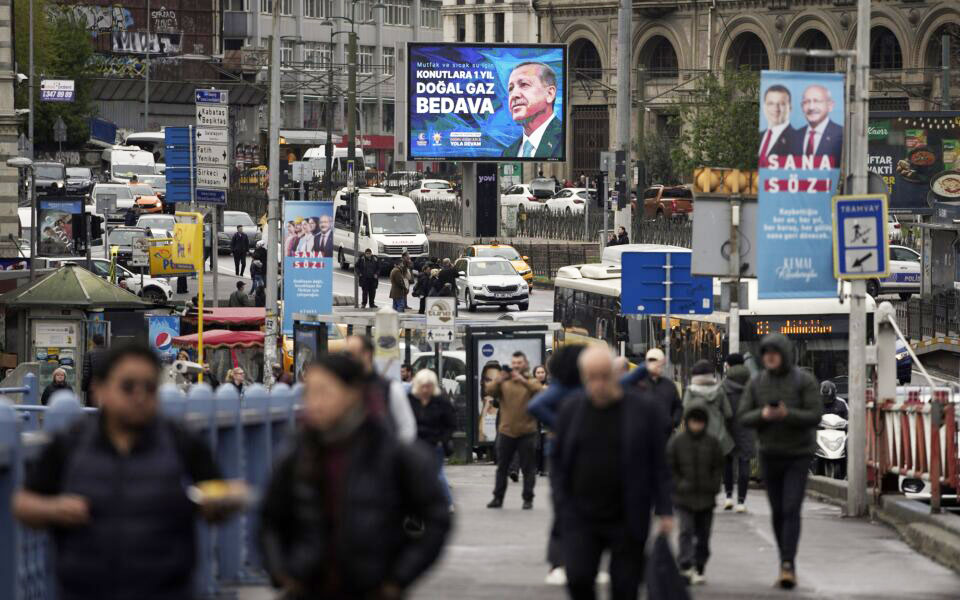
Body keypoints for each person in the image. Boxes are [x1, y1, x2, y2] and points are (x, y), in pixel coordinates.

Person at [13, 344, 235, 600]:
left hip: (166, 589)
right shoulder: (71, 442)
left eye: (150, 388)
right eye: (128, 386)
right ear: (100, 389)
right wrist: (54, 509)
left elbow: (221, 494)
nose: (139, 396)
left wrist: (218, 502)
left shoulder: (181, 441)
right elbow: (23, 504)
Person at [258, 354, 451, 599]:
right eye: (309, 393)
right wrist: (280, 571)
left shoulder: (392, 454)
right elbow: (269, 519)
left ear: (353, 393)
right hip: (307, 587)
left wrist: (399, 577)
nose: (315, 403)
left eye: (324, 392)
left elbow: (436, 517)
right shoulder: (296, 454)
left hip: (373, 587)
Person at [551, 346, 673, 600]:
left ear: (615, 375)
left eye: (604, 376)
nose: (598, 384)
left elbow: (658, 463)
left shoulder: (643, 410)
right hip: (581, 516)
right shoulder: (571, 410)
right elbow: (559, 463)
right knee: (578, 578)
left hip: (627, 515)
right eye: (591, 377)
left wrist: (664, 509)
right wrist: (562, 504)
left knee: (626, 586)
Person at [738, 333, 822, 590]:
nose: (770, 357)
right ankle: (784, 559)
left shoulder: (804, 380)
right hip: (770, 454)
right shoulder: (756, 383)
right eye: (766, 353)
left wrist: (788, 414)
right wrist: (763, 415)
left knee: (791, 508)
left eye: (775, 352)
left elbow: (815, 414)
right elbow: (743, 416)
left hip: (798, 454)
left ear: (784, 354)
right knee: (777, 512)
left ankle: (788, 564)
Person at [667, 404, 725, 586]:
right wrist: (677, 484)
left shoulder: (712, 442)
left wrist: (714, 486)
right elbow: (670, 467)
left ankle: (699, 564)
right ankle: (685, 564)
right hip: (683, 497)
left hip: (706, 498)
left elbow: (718, 468)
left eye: (699, 422)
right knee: (685, 531)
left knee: (703, 535)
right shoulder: (677, 442)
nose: (696, 426)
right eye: (693, 422)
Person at [485, 351, 542, 510]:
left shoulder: (530, 381)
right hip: (506, 431)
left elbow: (540, 391)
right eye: (514, 363)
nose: (516, 366)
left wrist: (523, 380)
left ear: (525, 364)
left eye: (519, 363)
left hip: (527, 431)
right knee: (502, 467)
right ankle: (497, 498)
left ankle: (528, 499)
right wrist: (499, 379)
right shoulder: (504, 381)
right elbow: (489, 390)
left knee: (528, 468)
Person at [344, 334, 418, 444]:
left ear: (367, 354)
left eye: (351, 354)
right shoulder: (342, 387)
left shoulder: (390, 388)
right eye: (346, 354)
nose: (347, 359)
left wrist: (390, 455)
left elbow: (407, 428)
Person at [408, 369, 456, 510]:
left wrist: (443, 439)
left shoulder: (441, 401)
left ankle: (447, 503)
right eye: (423, 386)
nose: (425, 389)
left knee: (437, 474)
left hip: (435, 443)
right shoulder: (411, 400)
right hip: (416, 443)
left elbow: (451, 424)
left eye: (428, 386)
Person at [501, 62, 563, 159]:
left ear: (550, 94)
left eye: (524, 84)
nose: (514, 95)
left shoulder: (568, 139)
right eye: (511, 89)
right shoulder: (508, 153)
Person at [721, 353, 755, 512]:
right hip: (747, 428)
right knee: (744, 462)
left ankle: (728, 497)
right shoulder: (752, 383)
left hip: (728, 427)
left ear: (729, 365)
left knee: (727, 462)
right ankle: (741, 501)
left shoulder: (724, 384)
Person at [682, 359, 735, 461]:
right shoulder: (719, 390)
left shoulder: (690, 391)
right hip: (719, 439)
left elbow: (685, 413)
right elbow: (728, 413)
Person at [635, 348, 683, 434]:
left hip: (665, 434)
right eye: (651, 361)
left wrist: (673, 423)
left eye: (657, 362)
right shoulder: (638, 385)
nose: (655, 365)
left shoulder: (669, 386)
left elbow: (678, 407)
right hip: (644, 435)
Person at [793, 84, 843, 166]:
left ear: (830, 106)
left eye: (817, 101)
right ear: (802, 107)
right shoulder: (794, 136)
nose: (811, 107)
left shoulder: (841, 134)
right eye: (806, 102)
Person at [758, 84, 797, 166]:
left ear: (790, 108)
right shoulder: (759, 136)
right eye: (771, 103)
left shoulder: (799, 140)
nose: (776, 108)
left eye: (782, 104)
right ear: (764, 107)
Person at [81, 333, 108, 401]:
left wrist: (84, 387)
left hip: (93, 387)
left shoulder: (89, 353)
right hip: (106, 387)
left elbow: (86, 373)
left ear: (93, 342)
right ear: (103, 341)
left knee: (91, 409)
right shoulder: (110, 353)